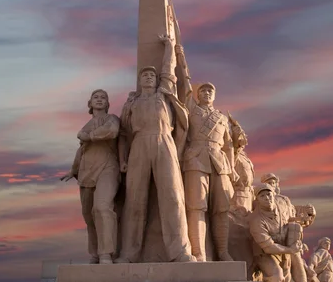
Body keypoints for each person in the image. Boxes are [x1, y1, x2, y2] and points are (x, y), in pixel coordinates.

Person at [115, 34, 195, 263]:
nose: (149, 78)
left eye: (152, 75)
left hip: (164, 142)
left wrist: (169, 46)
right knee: (135, 200)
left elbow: (168, 70)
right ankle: (129, 254)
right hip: (139, 145)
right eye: (145, 75)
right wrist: (123, 158)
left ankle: (179, 251)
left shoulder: (163, 95)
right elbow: (122, 134)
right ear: (140, 81)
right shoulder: (132, 104)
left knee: (172, 196)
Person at [175, 43, 238, 262]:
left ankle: (222, 251)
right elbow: (184, 85)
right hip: (195, 159)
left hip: (219, 163)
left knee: (221, 210)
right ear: (197, 95)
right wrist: (181, 59)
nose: (207, 92)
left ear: (215, 95)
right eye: (203, 90)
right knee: (196, 207)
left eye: (210, 90)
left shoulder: (221, 117)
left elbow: (229, 146)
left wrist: (231, 169)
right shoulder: (191, 109)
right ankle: (199, 252)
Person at [60, 89, 120, 264]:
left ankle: (106, 253)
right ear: (90, 103)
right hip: (87, 171)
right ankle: (95, 253)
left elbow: (111, 131)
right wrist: (73, 169)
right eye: (96, 97)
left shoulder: (112, 119)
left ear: (108, 103)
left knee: (102, 208)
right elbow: (82, 150)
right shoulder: (86, 125)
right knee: (89, 215)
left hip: (108, 168)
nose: (100, 100)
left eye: (103, 98)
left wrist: (89, 136)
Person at [261, 173, 316, 282]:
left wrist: (310, 215)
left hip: (289, 239)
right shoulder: (261, 201)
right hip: (272, 241)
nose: (272, 186)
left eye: (274, 183)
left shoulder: (285, 200)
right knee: (281, 272)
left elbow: (296, 218)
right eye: (269, 183)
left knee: (295, 263)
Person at [249, 183, 303, 282]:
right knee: (277, 277)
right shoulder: (256, 220)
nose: (267, 198)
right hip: (264, 253)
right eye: (262, 196)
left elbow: (287, 219)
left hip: (283, 247)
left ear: (273, 195)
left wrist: (301, 219)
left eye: (268, 194)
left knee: (287, 277)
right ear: (257, 200)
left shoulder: (281, 205)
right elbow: (269, 247)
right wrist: (290, 250)